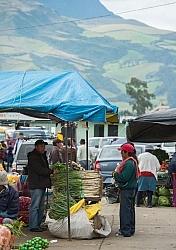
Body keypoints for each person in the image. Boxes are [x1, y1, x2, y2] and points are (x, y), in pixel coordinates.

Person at [27, 139, 58, 232]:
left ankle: (38, 224)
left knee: (41, 206)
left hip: (41, 184)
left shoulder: (42, 156)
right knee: (35, 206)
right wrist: (52, 171)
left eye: (44, 146)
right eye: (41, 146)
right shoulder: (33, 156)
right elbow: (39, 170)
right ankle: (33, 226)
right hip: (36, 184)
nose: (43, 148)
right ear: (36, 147)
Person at [113, 143, 140, 237]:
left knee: (125, 210)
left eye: (122, 152)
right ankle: (130, 229)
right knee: (130, 210)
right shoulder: (132, 161)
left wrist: (115, 174)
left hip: (127, 189)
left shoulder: (129, 163)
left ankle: (125, 230)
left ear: (126, 152)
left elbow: (124, 177)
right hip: (131, 188)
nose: (121, 154)